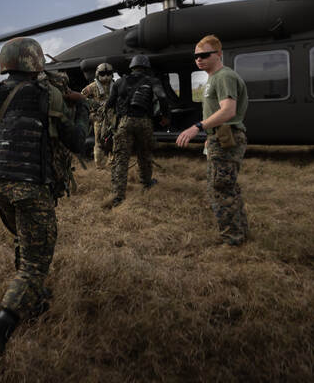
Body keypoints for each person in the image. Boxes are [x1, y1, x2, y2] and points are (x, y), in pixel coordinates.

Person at [0, 37, 88, 383]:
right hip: (30, 186)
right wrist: (82, 110)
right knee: (36, 264)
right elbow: (77, 141)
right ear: (35, 62)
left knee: (24, 237)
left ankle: (33, 299)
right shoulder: (45, 95)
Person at [176, 34, 249, 246]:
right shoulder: (214, 78)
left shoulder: (224, 76)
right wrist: (210, 135)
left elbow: (228, 111)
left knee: (221, 189)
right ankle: (240, 232)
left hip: (227, 136)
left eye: (205, 55)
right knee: (226, 187)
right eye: (196, 56)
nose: (199, 59)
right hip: (219, 136)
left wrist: (197, 127)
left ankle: (232, 240)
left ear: (219, 54)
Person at [104, 54, 169, 207]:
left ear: (132, 67)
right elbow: (162, 97)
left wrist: (113, 120)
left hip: (124, 122)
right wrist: (165, 116)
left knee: (121, 158)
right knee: (144, 154)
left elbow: (109, 104)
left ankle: (118, 195)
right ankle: (146, 183)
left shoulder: (119, 82)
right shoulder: (152, 81)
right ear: (146, 67)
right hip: (144, 122)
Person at [81, 62, 114, 168]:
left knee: (114, 140)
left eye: (108, 73)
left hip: (113, 117)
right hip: (99, 118)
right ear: (97, 74)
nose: (106, 76)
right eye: (103, 74)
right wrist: (92, 105)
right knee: (99, 142)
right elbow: (82, 97)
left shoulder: (115, 85)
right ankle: (100, 166)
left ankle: (112, 162)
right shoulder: (93, 87)